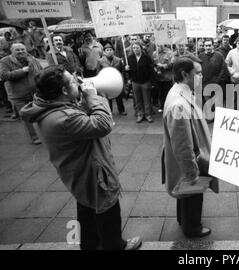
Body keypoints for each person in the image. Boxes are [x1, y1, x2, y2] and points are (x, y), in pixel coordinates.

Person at [20, 65, 142, 250]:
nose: (78, 81)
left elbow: (81, 115)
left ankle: (90, 245)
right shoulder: (63, 117)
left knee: (87, 210)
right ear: (63, 90)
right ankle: (116, 246)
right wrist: (92, 95)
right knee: (108, 213)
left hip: (80, 173)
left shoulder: (51, 106)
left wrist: (79, 96)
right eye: (72, 80)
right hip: (94, 175)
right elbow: (103, 124)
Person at [162, 57, 219, 238]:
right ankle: (192, 228)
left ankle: (184, 220)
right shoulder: (179, 104)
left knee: (186, 193)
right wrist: (192, 173)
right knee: (192, 191)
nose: (201, 76)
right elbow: (183, 146)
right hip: (192, 157)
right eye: (198, 73)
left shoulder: (180, 93)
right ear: (185, 74)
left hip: (192, 154)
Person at [0, 43, 43, 144]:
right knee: (26, 117)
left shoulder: (31, 58)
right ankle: (34, 138)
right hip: (18, 95)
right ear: (12, 51)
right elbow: (4, 76)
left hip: (34, 92)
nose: (20, 51)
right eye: (17, 50)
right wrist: (22, 71)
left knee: (41, 113)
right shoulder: (5, 61)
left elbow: (40, 70)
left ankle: (46, 133)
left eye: (22, 49)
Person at [127, 42, 156, 123]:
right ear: (132, 49)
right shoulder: (130, 58)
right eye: (134, 48)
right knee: (138, 99)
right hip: (135, 82)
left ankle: (148, 115)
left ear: (141, 48)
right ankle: (140, 114)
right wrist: (127, 70)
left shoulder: (146, 57)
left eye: (137, 47)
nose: (136, 49)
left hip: (145, 81)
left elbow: (151, 70)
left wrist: (152, 82)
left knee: (147, 99)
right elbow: (129, 71)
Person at [98, 42, 127, 116]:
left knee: (118, 97)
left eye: (110, 50)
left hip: (116, 81)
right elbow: (98, 72)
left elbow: (122, 71)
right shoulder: (100, 61)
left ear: (113, 51)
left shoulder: (119, 60)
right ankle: (109, 111)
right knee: (108, 98)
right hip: (106, 82)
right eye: (107, 50)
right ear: (104, 52)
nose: (109, 51)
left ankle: (121, 110)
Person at [153, 45, 174, 112]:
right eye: (158, 45)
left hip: (167, 77)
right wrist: (156, 69)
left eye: (160, 45)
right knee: (160, 93)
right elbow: (152, 64)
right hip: (159, 78)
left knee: (167, 93)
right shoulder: (154, 53)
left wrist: (165, 66)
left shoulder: (169, 53)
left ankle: (169, 106)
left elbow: (172, 64)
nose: (159, 47)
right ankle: (161, 106)